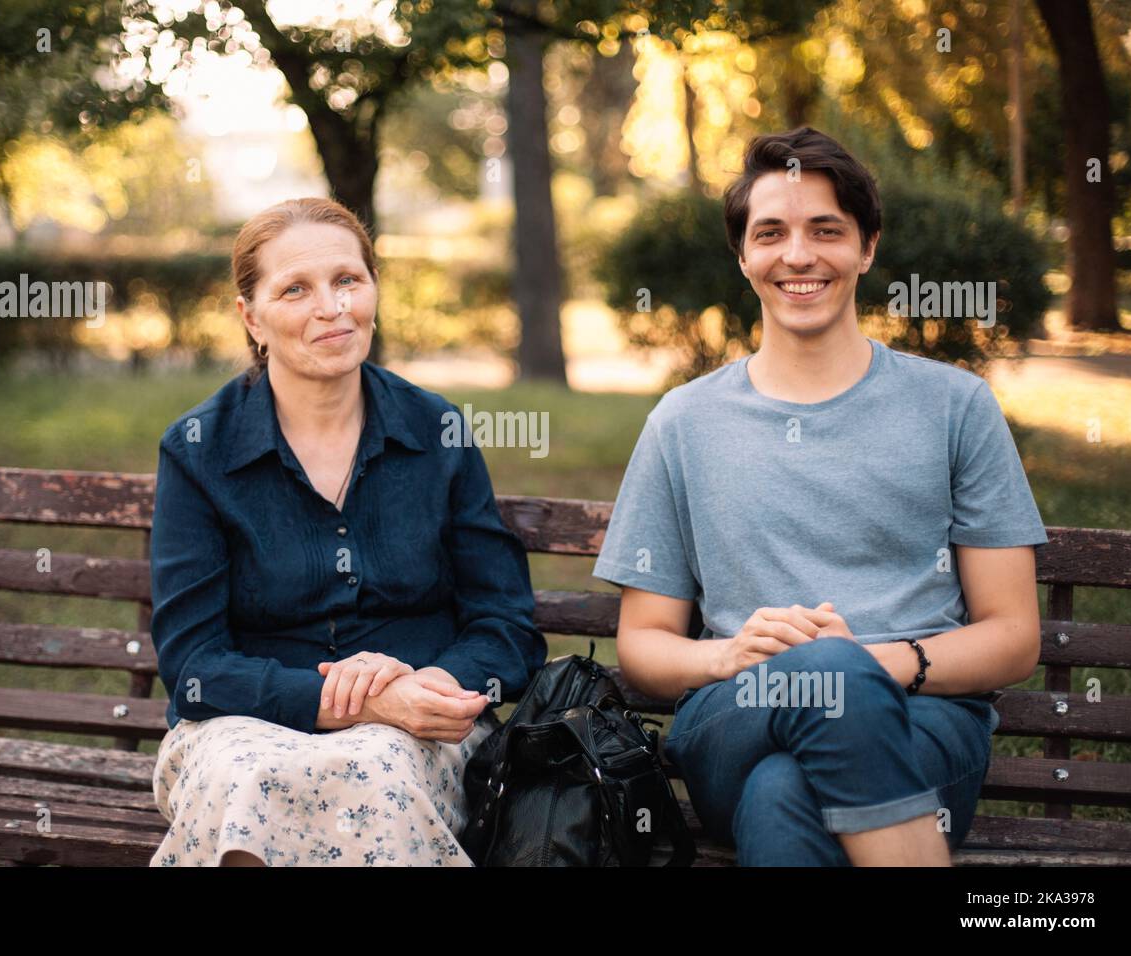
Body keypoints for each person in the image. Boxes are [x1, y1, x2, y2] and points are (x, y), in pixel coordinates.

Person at [592, 127, 1047, 866]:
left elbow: (1013, 635)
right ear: (744, 257)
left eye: (826, 231)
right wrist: (728, 657)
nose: (797, 255)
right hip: (735, 716)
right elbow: (642, 645)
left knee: (781, 796)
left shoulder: (955, 407)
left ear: (867, 247)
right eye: (770, 233)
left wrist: (869, 662)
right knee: (806, 704)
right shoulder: (685, 422)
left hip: (923, 725)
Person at [149, 197, 546, 866]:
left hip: (422, 724)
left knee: (378, 768)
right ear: (251, 317)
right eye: (296, 289)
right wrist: (355, 703)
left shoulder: (434, 430)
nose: (331, 308)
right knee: (247, 780)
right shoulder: (199, 450)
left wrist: (429, 690)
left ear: (373, 289)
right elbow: (194, 666)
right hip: (245, 727)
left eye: (347, 281)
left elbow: (505, 624)